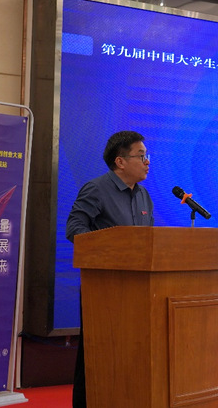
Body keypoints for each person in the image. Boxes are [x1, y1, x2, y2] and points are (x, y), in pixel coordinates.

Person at [66, 130, 154, 408]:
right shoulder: (96, 189)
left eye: (147, 156)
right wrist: (110, 250)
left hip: (139, 287)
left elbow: (149, 241)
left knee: (131, 352)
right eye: (141, 156)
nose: (147, 162)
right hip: (104, 287)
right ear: (120, 161)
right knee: (96, 353)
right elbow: (75, 229)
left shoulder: (143, 195)